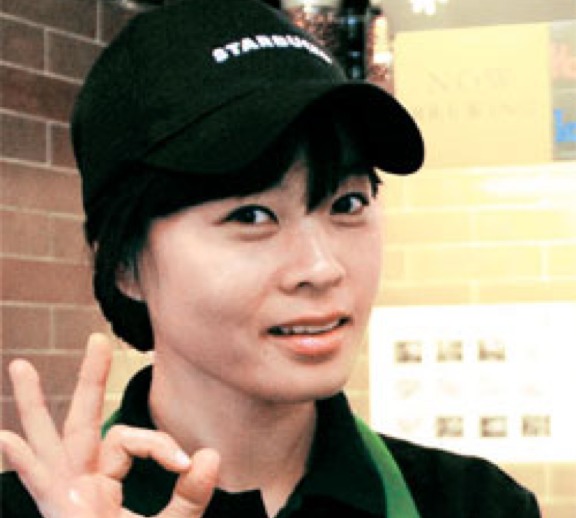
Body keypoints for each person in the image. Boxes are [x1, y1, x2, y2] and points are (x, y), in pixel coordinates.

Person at [0, 0, 541, 517]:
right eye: (252, 216)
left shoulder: (477, 504)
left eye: (347, 204)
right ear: (125, 264)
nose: (322, 267)